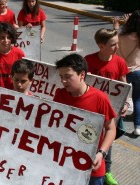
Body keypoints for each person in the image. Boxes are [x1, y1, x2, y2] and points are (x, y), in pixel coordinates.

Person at [53, 53, 117, 185]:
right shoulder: (59, 95)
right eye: (61, 77)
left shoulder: (100, 98)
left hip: (92, 168)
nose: (63, 81)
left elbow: (111, 129)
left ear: (82, 75)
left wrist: (101, 153)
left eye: (68, 76)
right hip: (65, 164)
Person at [84, 28, 129, 185]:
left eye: (117, 43)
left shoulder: (120, 62)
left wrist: (126, 102)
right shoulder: (88, 61)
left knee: (107, 143)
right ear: (101, 46)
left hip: (110, 112)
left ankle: (107, 172)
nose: (117, 47)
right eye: (113, 44)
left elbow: (124, 84)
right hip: (91, 110)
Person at [114, 10, 140, 136]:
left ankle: (117, 123)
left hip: (123, 72)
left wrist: (119, 25)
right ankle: (137, 127)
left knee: (120, 99)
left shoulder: (122, 36)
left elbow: (112, 40)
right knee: (138, 99)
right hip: (138, 71)